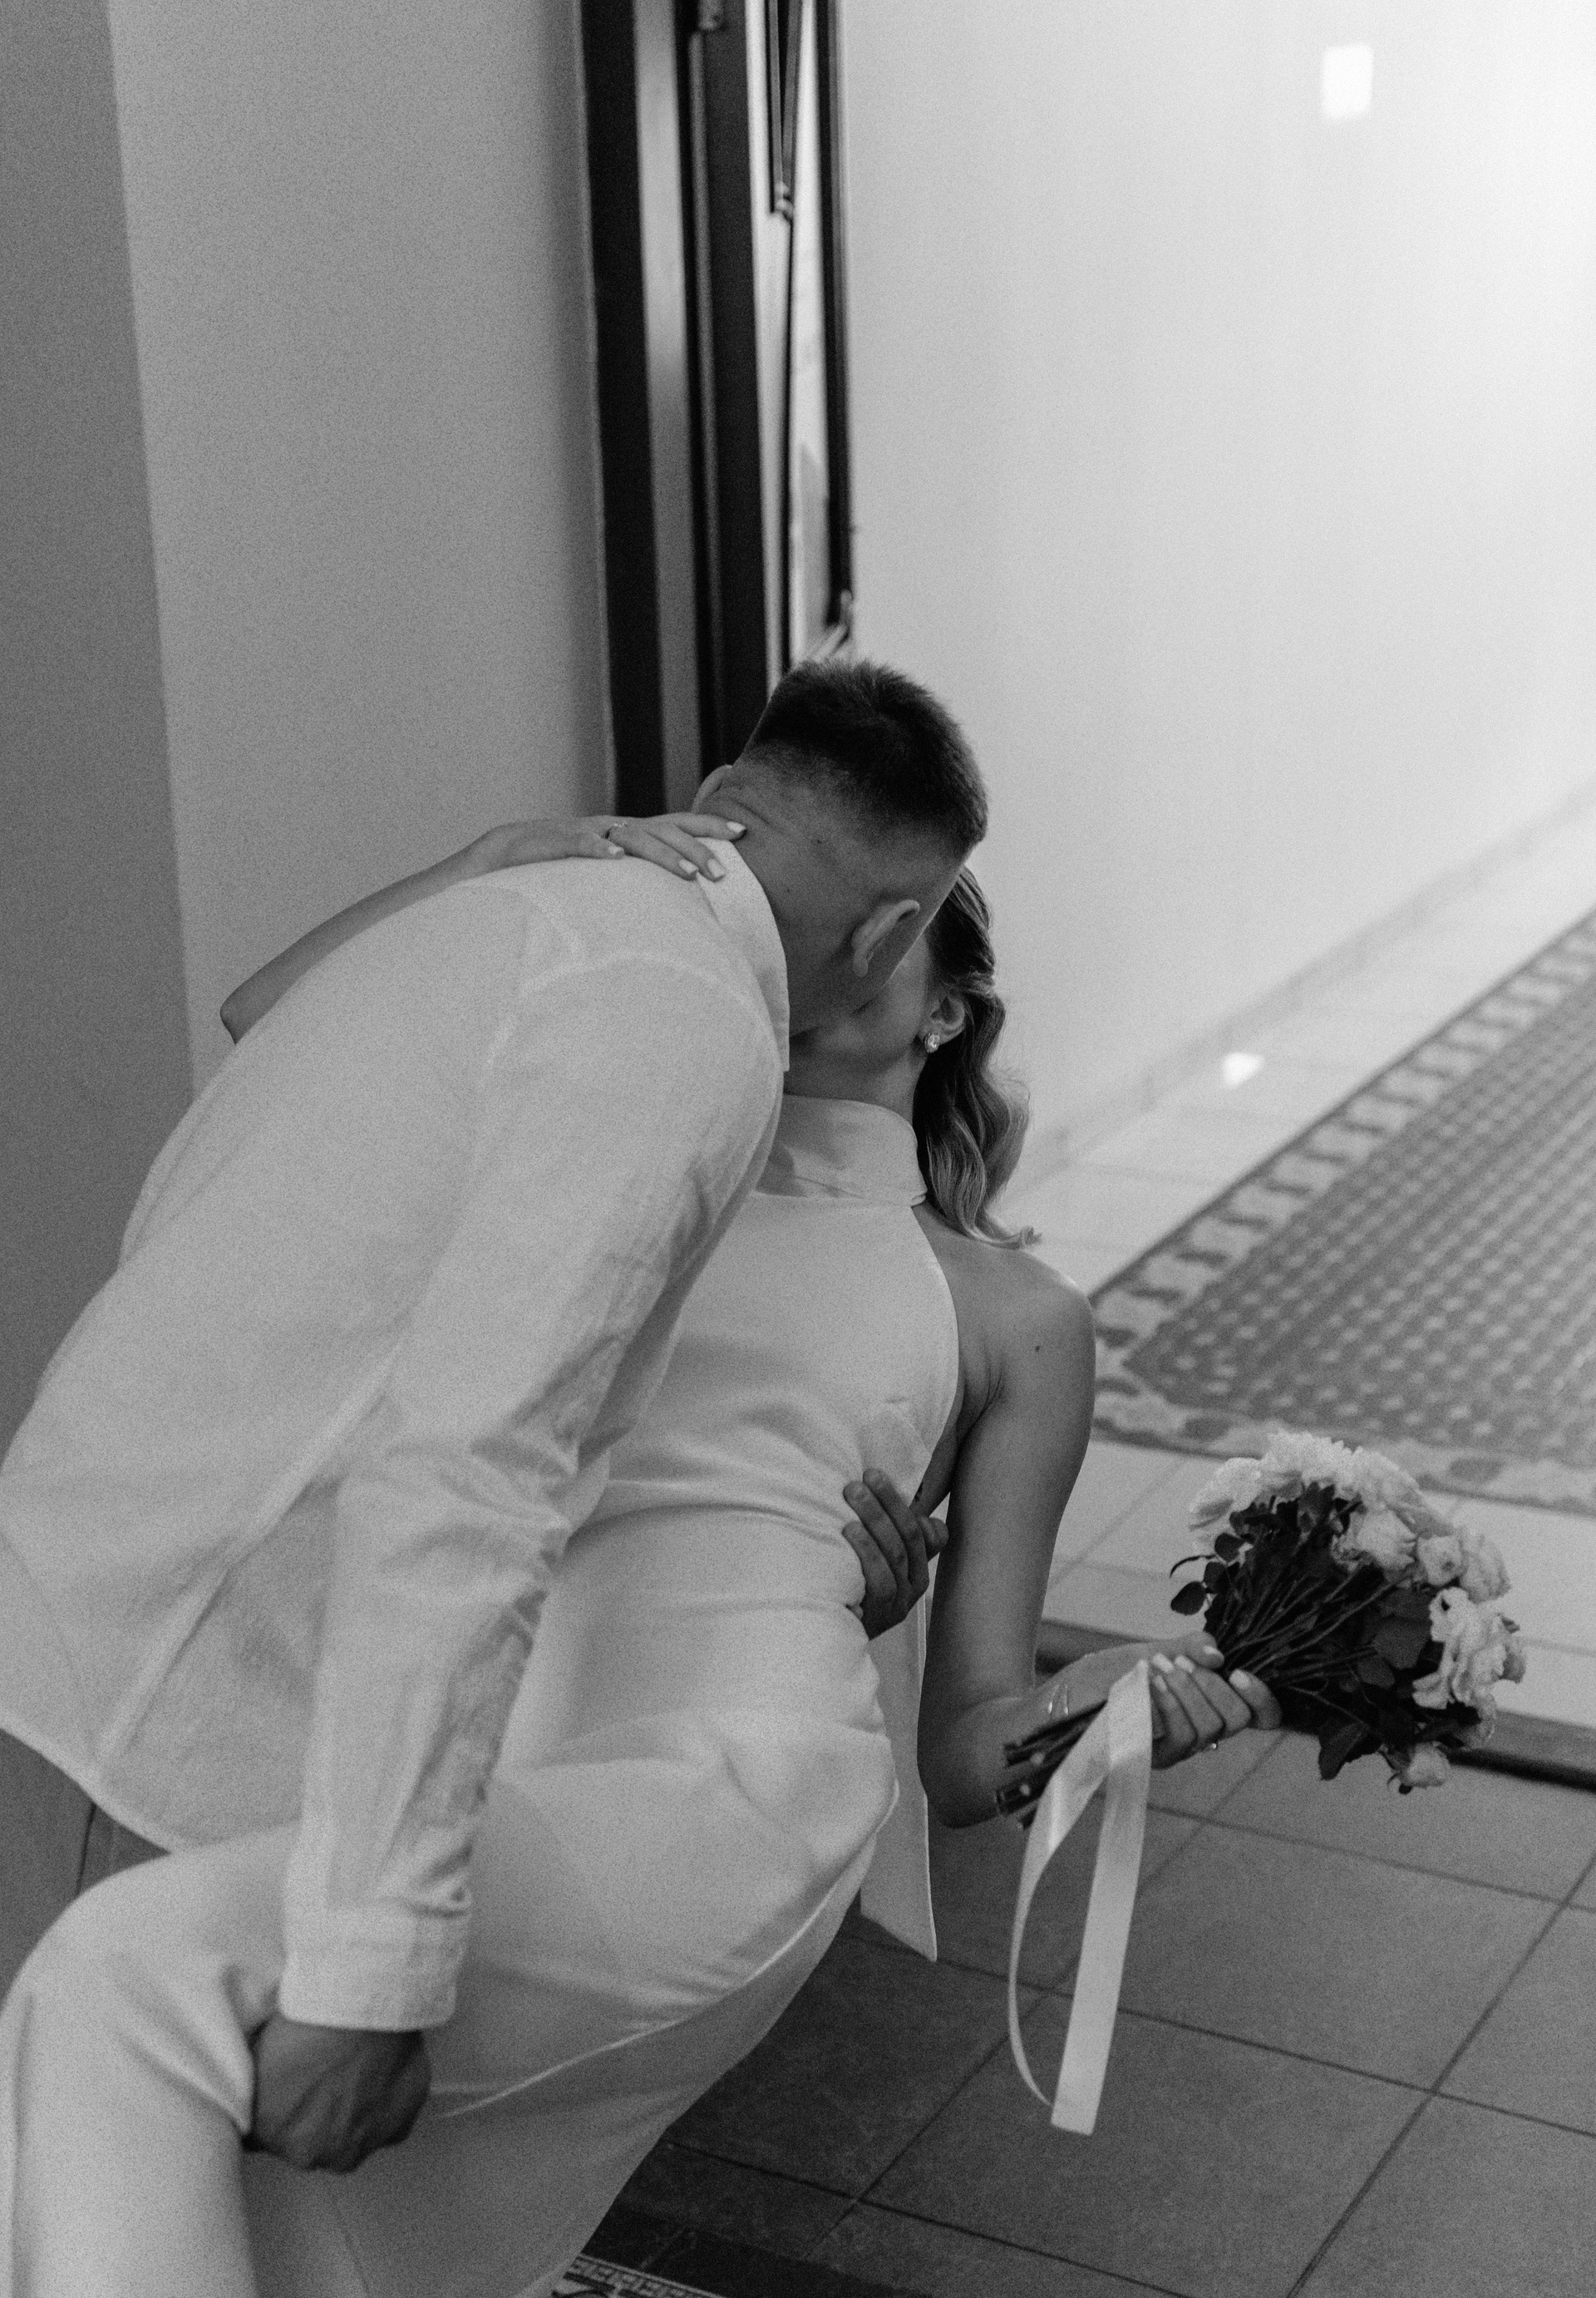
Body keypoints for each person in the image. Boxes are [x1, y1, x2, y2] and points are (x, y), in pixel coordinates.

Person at [0, 787, 1277, 2296]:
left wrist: (1124, 1698)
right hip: (484, 1752)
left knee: (137, 1981)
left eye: (906, 925)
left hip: (727, 1771)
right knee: (264, 2205)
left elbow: (965, 1747)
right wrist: (481, 862)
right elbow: (275, 1018)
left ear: (948, 1008)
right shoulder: (635, 1123)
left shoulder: (1014, 1313)